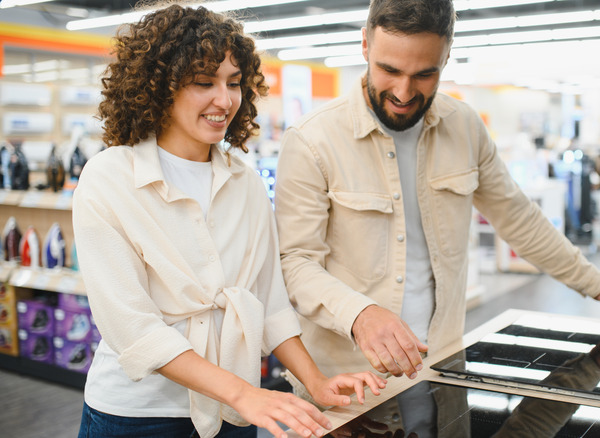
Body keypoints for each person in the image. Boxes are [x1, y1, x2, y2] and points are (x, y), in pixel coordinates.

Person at [273, 0, 600, 395]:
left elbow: (518, 217)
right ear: (365, 45)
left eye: (424, 74)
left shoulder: (464, 126)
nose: (403, 92)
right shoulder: (312, 141)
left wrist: (596, 285)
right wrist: (359, 314)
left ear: (447, 55)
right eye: (389, 70)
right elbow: (295, 263)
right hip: (346, 384)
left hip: (442, 371)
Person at [71, 5, 384, 438]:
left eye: (234, 83)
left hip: (233, 415)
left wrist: (316, 382)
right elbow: (134, 329)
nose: (225, 100)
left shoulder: (246, 182)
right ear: (159, 86)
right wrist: (243, 394)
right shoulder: (109, 179)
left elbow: (271, 303)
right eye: (204, 83)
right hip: (137, 415)